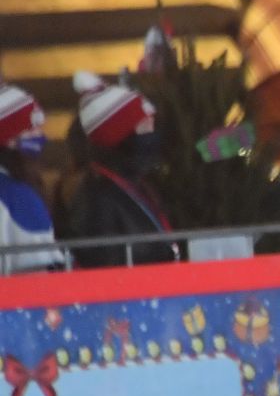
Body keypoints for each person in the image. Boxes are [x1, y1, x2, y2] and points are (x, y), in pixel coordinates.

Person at [61, 73, 178, 269]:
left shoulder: (134, 184)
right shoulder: (97, 198)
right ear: (120, 135)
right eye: (144, 126)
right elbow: (104, 266)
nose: (152, 133)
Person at [0, 84, 63, 274]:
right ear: (9, 139)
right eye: (31, 130)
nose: (40, 137)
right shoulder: (18, 197)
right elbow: (38, 273)